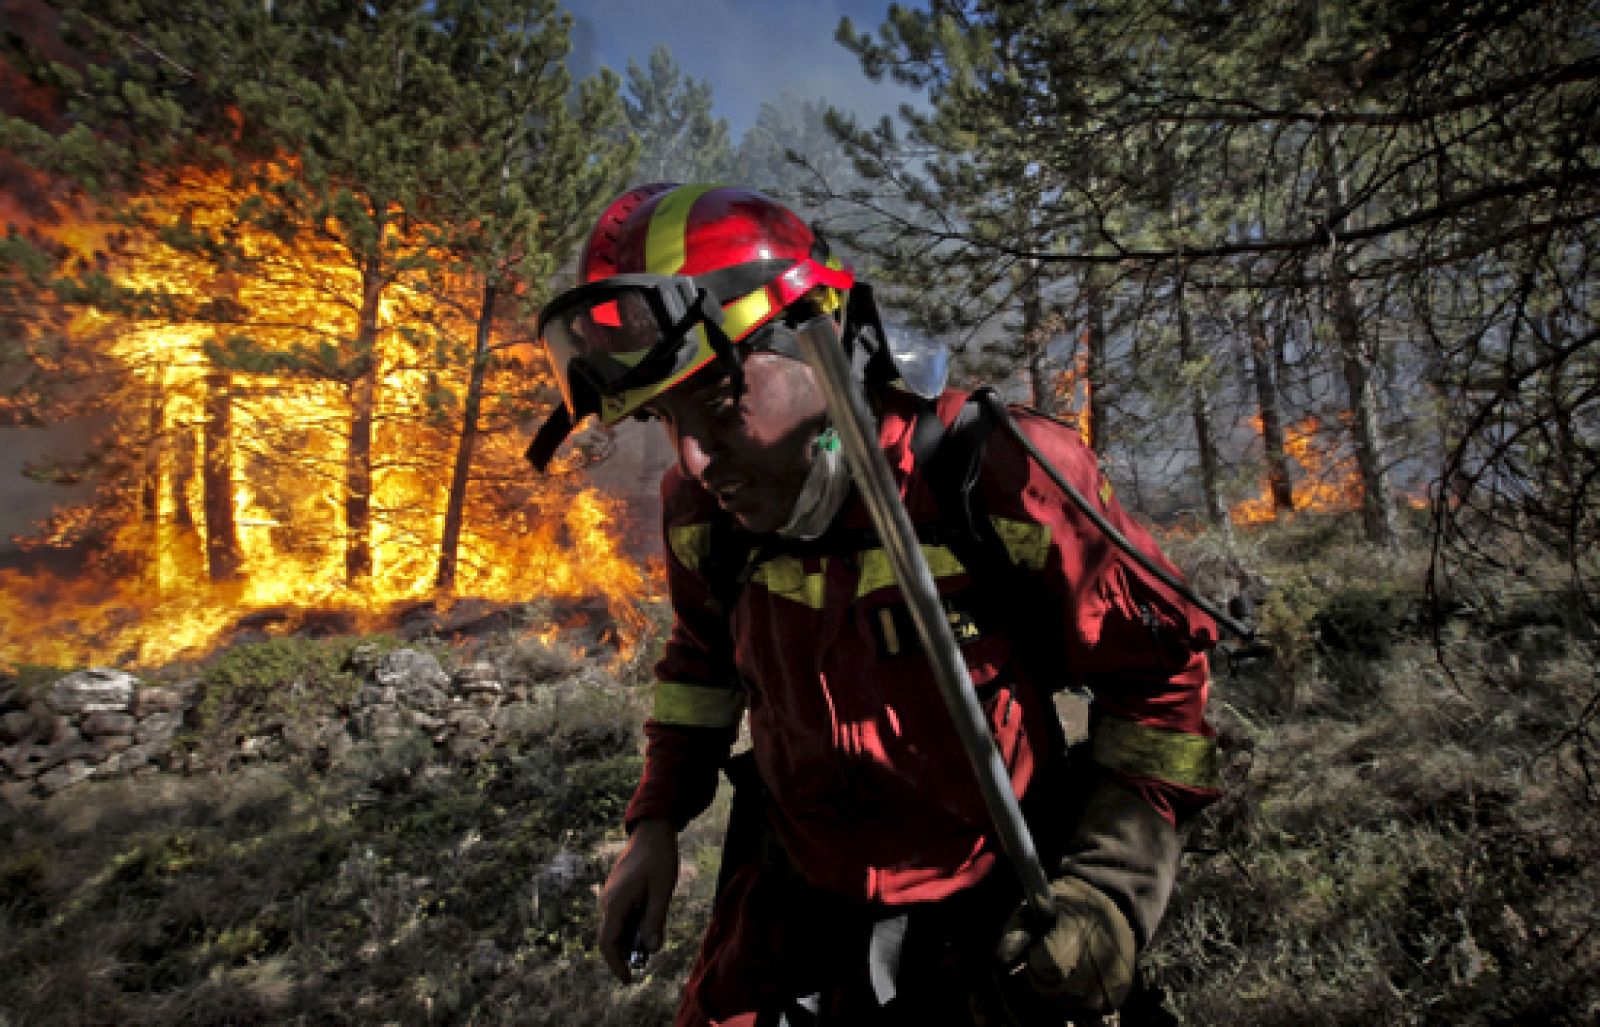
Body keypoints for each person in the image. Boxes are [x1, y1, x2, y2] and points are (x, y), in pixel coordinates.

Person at [529, 182, 1221, 1026]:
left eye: (716, 400)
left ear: (816, 339)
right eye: (665, 419)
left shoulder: (996, 474)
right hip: (795, 905)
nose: (697, 461)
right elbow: (702, 670)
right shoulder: (704, 516)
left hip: (995, 904)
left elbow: (1158, 685)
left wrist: (1111, 889)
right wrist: (657, 823)